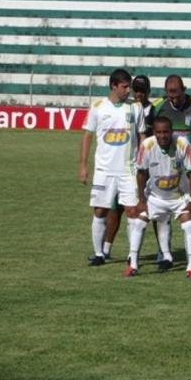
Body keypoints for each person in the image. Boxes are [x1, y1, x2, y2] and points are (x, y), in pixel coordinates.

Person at [79, 68, 145, 267]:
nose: (128, 91)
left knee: (133, 212)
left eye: (129, 87)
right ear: (113, 86)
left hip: (128, 170)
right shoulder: (98, 107)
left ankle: (132, 255)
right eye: (125, 87)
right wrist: (83, 165)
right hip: (104, 171)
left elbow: (142, 136)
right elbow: (87, 135)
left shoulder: (135, 108)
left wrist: (142, 162)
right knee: (100, 210)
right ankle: (99, 254)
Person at [146, 75, 191, 266]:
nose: (174, 99)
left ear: (184, 89)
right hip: (165, 168)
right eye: (170, 94)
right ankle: (164, 252)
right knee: (161, 211)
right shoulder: (158, 106)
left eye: (177, 94)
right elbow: (148, 136)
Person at [128, 116, 191, 278]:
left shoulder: (183, 143)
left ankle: (190, 268)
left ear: (172, 131)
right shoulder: (147, 145)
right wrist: (141, 200)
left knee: (188, 226)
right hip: (155, 197)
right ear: (154, 132)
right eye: (159, 132)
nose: (163, 135)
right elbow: (140, 173)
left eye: (166, 132)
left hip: (179, 196)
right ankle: (133, 265)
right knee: (139, 223)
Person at [98, 74, 153, 261]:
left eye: (141, 91)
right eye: (134, 89)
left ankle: (134, 253)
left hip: (137, 168)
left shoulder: (153, 110)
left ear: (148, 92)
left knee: (136, 210)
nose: (137, 94)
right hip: (116, 167)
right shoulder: (128, 106)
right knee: (114, 209)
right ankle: (105, 249)